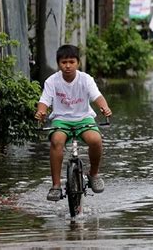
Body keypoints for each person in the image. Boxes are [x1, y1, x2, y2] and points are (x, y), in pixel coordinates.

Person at [35, 44, 112, 201]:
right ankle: (56, 186)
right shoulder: (52, 81)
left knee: (96, 140)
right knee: (57, 141)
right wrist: (41, 112)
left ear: (78, 63)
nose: (68, 66)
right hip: (61, 120)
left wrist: (105, 108)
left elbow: (97, 96)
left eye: (71, 62)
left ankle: (94, 175)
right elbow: (44, 101)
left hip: (84, 118)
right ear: (59, 64)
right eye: (64, 62)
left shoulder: (86, 79)